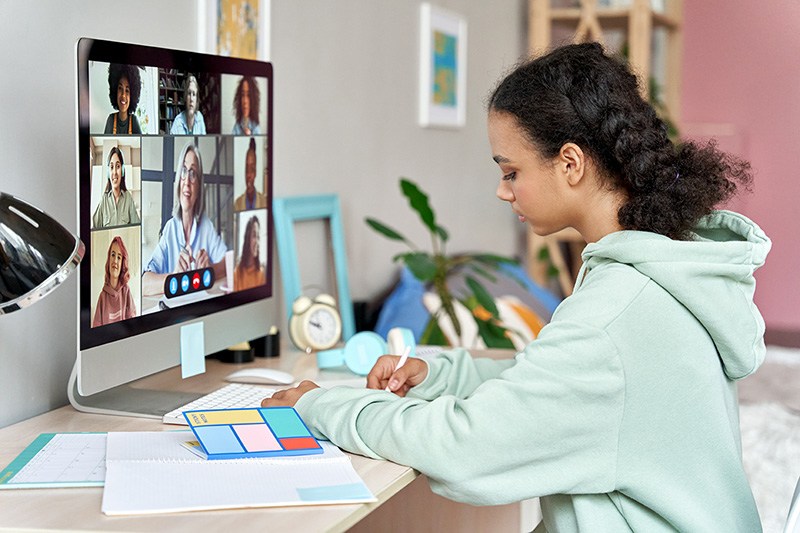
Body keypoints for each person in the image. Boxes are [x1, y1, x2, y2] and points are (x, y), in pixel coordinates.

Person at [261, 43, 771, 532]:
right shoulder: (656, 267)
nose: (502, 191)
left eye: (511, 172)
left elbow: (465, 451)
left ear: (570, 164)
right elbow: (559, 381)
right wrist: (441, 375)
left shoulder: (615, 317)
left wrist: (318, 405)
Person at [142, 143, 226, 295]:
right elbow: (144, 283)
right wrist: (174, 278)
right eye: (183, 171)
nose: (187, 181)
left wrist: (209, 270)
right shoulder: (170, 229)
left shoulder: (206, 226)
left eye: (193, 173)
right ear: (178, 180)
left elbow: (228, 261)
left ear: (199, 185)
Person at [92, 236, 137, 326]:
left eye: (119, 257)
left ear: (122, 264)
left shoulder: (126, 292)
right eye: (113, 255)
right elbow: (96, 330)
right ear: (109, 259)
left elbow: (133, 324)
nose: (115, 261)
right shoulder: (102, 297)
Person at [92, 147, 140, 228]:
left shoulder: (128, 198)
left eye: (118, 166)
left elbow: (136, 229)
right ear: (108, 172)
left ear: (123, 170)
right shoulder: (104, 199)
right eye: (111, 167)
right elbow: (94, 231)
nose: (114, 172)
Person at [104, 64, 142, 135]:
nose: (123, 95)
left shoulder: (134, 120)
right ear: (115, 91)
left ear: (132, 96)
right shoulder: (111, 119)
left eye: (127, 90)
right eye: (120, 88)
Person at [233, 215, 265, 291]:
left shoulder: (260, 273)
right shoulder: (237, 272)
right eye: (254, 236)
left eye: (258, 237)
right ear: (247, 239)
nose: (257, 241)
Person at [234, 138, 266, 210]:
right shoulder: (237, 205)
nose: (248, 175)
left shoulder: (265, 203)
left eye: (252, 169)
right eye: (246, 169)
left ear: (255, 173)